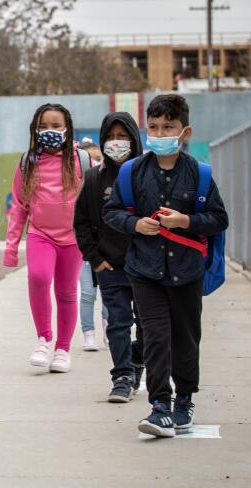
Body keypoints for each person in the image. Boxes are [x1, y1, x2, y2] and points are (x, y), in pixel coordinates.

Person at [104, 94, 228, 437]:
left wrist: (186, 221)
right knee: (154, 337)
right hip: (144, 271)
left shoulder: (200, 175)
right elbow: (111, 212)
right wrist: (135, 225)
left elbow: (219, 218)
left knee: (186, 339)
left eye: (168, 127)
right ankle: (160, 406)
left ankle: (184, 400)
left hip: (187, 271)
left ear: (184, 131)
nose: (159, 133)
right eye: (154, 127)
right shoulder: (131, 173)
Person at [4, 103, 90, 373]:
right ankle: (44, 339)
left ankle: (63, 350)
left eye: (56, 126)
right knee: (39, 278)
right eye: (43, 126)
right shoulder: (27, 162)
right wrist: (11, 248)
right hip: (40, 233)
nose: (49, 131)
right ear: (34, 129)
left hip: (72, 238)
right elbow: (18, 205)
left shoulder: (81, 161)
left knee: (66, 292)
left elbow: (92, 203)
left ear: (67, 129)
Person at [74, 112, 146, 403]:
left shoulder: (146, 174)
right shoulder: (94, 178)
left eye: (123, 136)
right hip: (110, 266)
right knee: (117, 322)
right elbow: (80, 222)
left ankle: (137, 361)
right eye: (111, 137)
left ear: (134, 139)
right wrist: (95, 259)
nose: (116, 142)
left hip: (145, 267)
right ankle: (121, 377)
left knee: (147, 325)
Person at [75, 139, 109, 352]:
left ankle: (108, 329)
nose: (96, 162)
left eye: (99, 157)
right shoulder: (81, 184)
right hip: (85, 249)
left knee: (108, 292)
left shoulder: (108, 182)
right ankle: (88, 334)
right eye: (92, 159)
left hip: (107, 247)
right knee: (88, 293)